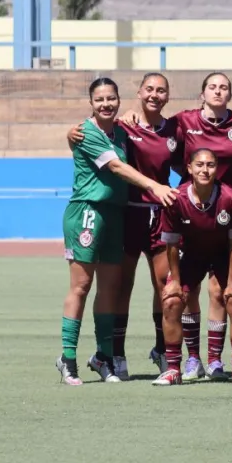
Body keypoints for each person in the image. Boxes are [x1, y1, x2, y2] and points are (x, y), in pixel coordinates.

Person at [57, 78, 177, 386]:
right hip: (87, 211)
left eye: (111, 98)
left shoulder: (123, 132)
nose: (106, 104)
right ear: (91, 102)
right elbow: (117, 168)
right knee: (81, 286)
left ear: (120, 100)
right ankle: (67, 358)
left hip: (114, 216)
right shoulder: (87, 132)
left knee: (110, 288)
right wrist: (154, 186)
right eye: (100, 99)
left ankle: (104, 357)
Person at [152, 148, 232, 386]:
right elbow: (172, 244)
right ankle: (177, 366)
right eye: (199, 165)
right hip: (192, 254)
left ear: (217, 169)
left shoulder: (231, 198)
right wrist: (175, 280)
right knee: (172, 300)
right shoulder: (177, 200)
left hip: (223, 254)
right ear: (189, 168)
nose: (204, 170)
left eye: (210, 165)